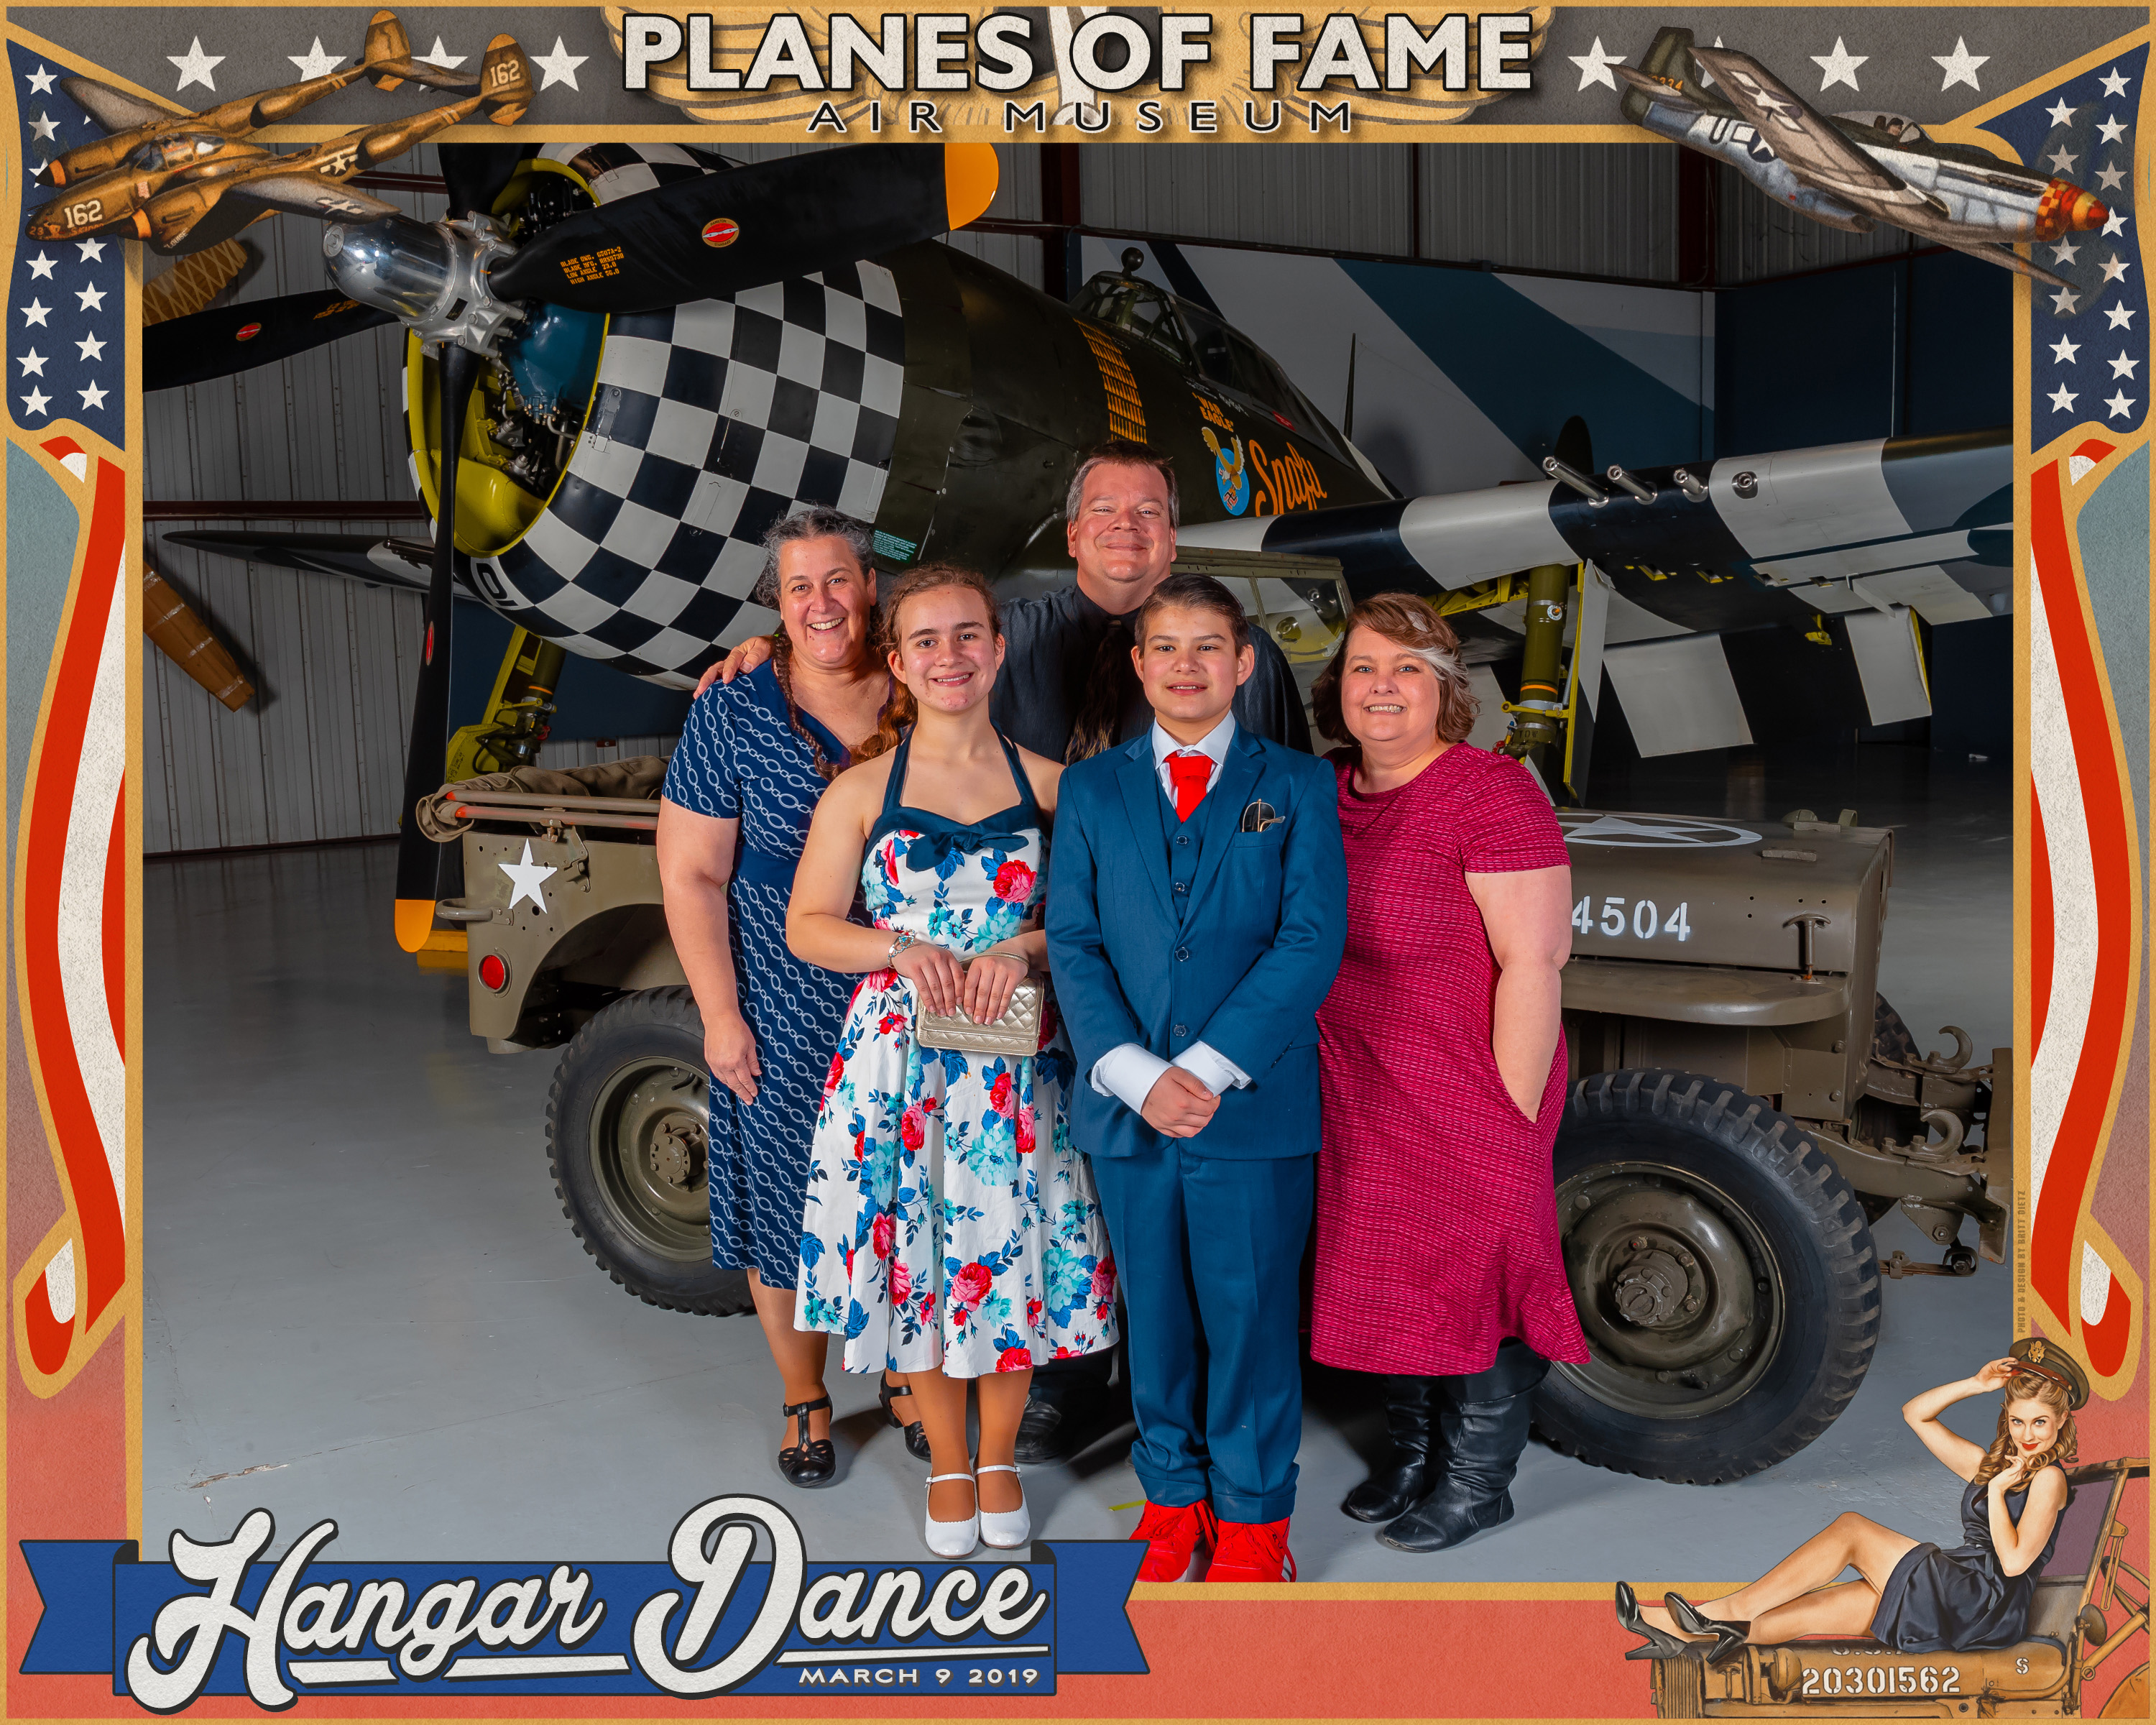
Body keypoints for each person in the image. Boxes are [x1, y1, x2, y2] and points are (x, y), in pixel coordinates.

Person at [702, 438, 1309, 1462]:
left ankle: (1184, 1418)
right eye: (1104, 512)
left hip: (1143, 996)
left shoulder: (1227, 666)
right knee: (970, 1226)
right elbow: (893, 638)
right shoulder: (1002, 646)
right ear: (1071, 535)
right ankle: (1021, 1420)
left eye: (1149, 513)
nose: (1126, 531)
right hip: (967, 1031)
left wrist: (1033, 949)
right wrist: (772, 645)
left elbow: (1256, 822)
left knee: (1107, 1215)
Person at [786, 562, 1116, 1558]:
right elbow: (807, 926)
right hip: (901, 1065)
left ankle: (1001, 1458)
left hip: (1015, 1064)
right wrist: (898, 948)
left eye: (968, 635)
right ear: (897, 662)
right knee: (920, 1258)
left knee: (1006, 1252)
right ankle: (949, 1464)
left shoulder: (1057, 788)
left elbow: (1102, 922)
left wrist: (1026, 948)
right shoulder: (858, 791)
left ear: (999, 649)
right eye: (925, 641)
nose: (949, 656)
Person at [1046, 572, 1346, 1584]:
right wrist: (1137, 1074)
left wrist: (1207, 1069)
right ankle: (1172, 1496)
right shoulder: (1092, 790)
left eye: (1208, 646)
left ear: (1243, 663)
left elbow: (1310, 940)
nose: (1187, 665)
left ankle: (1256, 1519)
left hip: (1251, 1106)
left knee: (1251, 1315)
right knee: (1158, 1317)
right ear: (1139, 666)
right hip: (1130, 1112)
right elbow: (1075, 942)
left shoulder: (1296, 786)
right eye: (1166, 647)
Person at [1307, 594, 1589, 1552]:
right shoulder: (1324, 789)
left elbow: (1534, 964)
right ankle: (1415, 1456)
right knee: (1389, 1270)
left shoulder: (1490, 793)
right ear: (1337, 687)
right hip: (1357, 1083)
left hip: (1470, 1083)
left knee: (1476, 1273)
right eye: (1364, 667)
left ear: (1447, 690)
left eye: (1408, 668)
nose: (1383, 686)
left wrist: (1508, 1120)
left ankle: (1477, 1482)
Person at [656, 509, 896, 1489]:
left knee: (903, 1186)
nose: (820, 604)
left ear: (871, 586)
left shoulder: (924, 683)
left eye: (837, 581)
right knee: (786, 1199)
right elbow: (691, 874)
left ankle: (905, 1370)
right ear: (777, 603)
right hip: (781, 993)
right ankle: (805, 1393)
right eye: (799, 587)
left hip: (909, 985)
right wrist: (722, 1015)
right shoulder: (733, 709)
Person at [1617, 1339, 2083, 1660]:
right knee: (1810, 1612)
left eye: (2040, 1422)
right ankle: (1675, 1632)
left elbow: (2014, 1563)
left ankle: (1725, 1611)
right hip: (1959, 1587)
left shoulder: (2049, 1481)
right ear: (2007, 1417)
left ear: (2061, 1420)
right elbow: (1916, 1415)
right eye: (2018, 1421)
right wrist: (1976, 1385)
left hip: (1986, 1604)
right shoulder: (1993, 1464)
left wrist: (1997, 1493)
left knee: (1852, 1530)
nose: (2027, 1435)